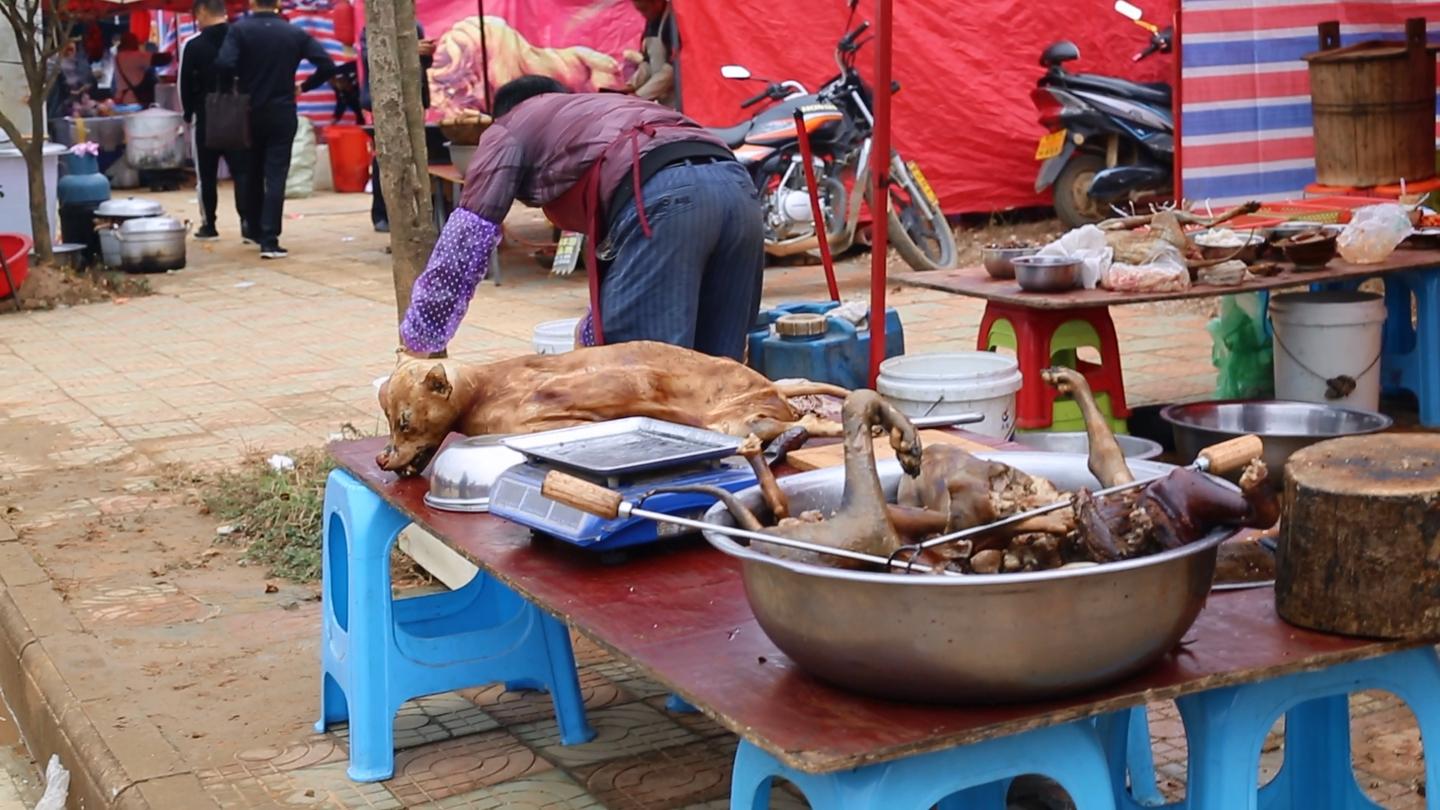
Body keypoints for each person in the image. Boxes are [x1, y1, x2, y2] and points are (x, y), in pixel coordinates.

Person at [398, 76, 764, 362]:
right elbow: (626, 257)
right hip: (738, 190)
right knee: (720, 376)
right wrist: (592, 331)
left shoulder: (510, 125)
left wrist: (418, 340)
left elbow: (468, 236)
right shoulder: (603, 110)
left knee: (639, 378)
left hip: (666, 196)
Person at [216, 0, 336, 259]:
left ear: (252, 2)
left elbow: (225, 63)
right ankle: (270, 240)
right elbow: (327, 65)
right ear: (278, 4)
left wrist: (231, 89)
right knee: (276, 174)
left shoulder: (239, 30)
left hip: (249, 110)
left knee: (251, 170)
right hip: (282, 110)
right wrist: (303, 87)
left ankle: (254, 228)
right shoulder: (293, 32)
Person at [180, 0, 247, 241]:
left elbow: (184, 84)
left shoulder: (193, 45)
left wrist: (188, 113)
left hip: (206, 117)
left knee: (206, 176)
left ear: (202, 12)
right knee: (242, 172)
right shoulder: (241, 38)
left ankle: (209, 225)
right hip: (239, 116)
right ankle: (247, 223)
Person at [359, 25, 434, 233]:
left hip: (414, 96)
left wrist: (426, 54)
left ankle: (418, 211)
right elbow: (372, 57)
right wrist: (410, 49)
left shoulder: (414, 25)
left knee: (418, 153)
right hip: (385, 99)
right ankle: (382, 214)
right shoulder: (373, 25)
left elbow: (423, 64)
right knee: (385, 155)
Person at [626, 0, 678, 109]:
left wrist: (639, 96)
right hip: (665, 102)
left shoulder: (673, 22)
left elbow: (672, 71)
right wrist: (631, 85)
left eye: (645, 10)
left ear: (658, 2)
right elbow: (647, 63)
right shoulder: (651, 21)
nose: (643, 15)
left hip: (681, 101)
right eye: (639, 11)